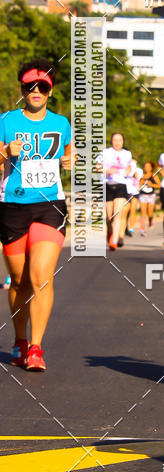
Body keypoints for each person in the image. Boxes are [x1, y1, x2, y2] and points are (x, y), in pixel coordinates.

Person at [0, 59, 72, 371]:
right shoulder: (6, 120)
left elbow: (68, 155)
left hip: (49, 205)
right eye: (31, 86)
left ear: (50, 90)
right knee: (19, 281)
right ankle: (19, 339)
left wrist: (70, 162)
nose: (36, 91)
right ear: (22, 89)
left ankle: (36, 348)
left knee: (40, 277)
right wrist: (6, 152)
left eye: (42, 86)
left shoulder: (61, 123)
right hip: (12, 206)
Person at [102, 132, 133, 250]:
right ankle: (110, 233)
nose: (117, 142)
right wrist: (107, 171)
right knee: (109, 217)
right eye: (115, 140)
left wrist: (128, 171)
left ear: (123, 142)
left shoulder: (127, 154)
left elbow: (129, 167)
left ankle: (114, 240)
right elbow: (97, 167)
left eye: (120, 140)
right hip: (108, 185)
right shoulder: (105, 152)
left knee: (117, 214)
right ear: (112, 141)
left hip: (121, 185)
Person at [138, 161, 160, 236]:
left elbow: (159, 185)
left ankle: (150, 220)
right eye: (146, 166)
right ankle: (142, 229)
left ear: (151, 168)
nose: (147, 168)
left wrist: (152, 185)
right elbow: (139, 186)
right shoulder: (142, 176)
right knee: (143, 212)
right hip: (143, 196)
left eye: (148, 166)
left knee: (150, 213)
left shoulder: (154, 175)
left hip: (151, 196)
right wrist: (141, 183)